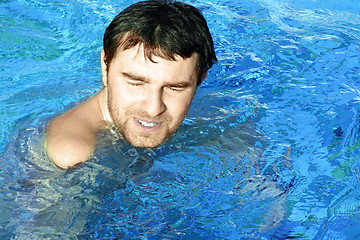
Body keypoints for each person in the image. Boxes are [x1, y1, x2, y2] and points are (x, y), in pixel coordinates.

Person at [46, 0, 217, 169]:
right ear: (105, 68)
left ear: (200, 81)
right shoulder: (72, 155)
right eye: (136, 82)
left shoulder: (216, 115)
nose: (153, 109)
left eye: (175, 88)